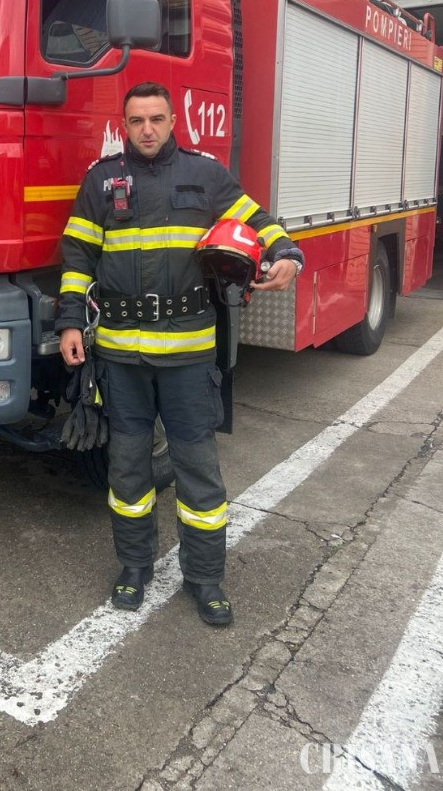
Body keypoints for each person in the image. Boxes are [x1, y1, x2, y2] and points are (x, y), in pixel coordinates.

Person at [56, 81, 304, 626]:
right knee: (127, 470)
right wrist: (71, 320)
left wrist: (287, 253)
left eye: (157, 119)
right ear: (124, 125)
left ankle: (205, 578)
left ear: (172, 122)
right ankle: (134, 566)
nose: (147, 129)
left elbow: (259, 221)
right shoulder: (101, 181)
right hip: (121, 358)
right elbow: (77, 256)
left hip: (188, 357)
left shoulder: (204, 174)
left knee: (197, 471)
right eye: (137, 120)